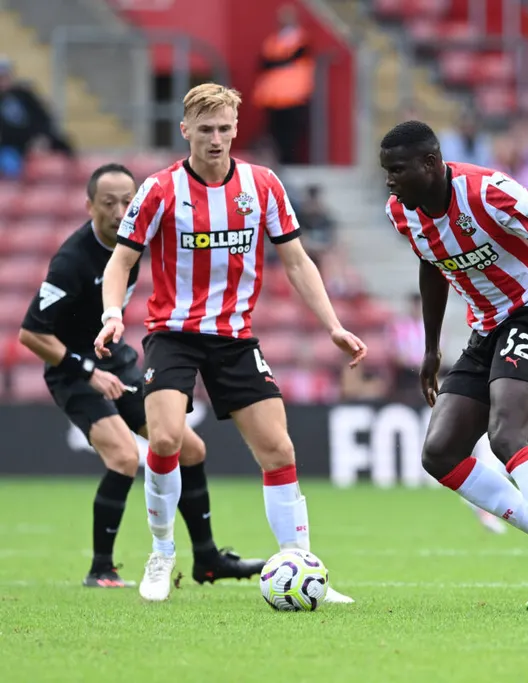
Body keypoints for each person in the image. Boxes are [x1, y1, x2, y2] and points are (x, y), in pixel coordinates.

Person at [93, 84, 368, 604]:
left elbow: (297, 261)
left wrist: (332, 324)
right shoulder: (160, 190)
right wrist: (112, 315)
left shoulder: (262, 185)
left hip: (234, 337)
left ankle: (303, 565)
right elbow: (121, 261)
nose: (216, 139)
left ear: (236, 128)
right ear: (185, 131)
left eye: (224, 128)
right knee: (166, 440)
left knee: (278, 449)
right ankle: (162, 552)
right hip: (173, 333)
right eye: (205, 130)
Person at [380, 120, 528, 612]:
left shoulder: (489, 191)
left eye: (397, 170)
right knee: (440, 453)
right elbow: (431, 265)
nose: (390, 182)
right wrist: (431, 348)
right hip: (487, 329)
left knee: (507, 436)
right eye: (386, 172)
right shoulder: (402, 212)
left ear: (430, 163)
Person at [18, 163, 262, 588]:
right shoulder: (72, 261)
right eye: (108, 203)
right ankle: (101, 568)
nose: (119, 211)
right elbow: (31, 333)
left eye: (126, 201)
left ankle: (207, 559)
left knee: (191, 449)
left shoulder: (136, 239)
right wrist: (87, 371)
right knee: (124, 457)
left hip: (114, 359)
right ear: (89, 206)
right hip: (72, 369)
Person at [253, 4, 314, 164]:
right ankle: (279, 163)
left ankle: (289, 163)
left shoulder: (302, 39)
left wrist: (277, 62)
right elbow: (264, 63)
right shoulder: (273, 41)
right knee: (275, 135)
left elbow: (289, 59)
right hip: (273, 98)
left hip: (294, 96)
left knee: (291, 136)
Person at [0, 55, 73, 178]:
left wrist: (42, 138)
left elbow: (43, 118)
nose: (3, 81)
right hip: (10, 145)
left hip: (36, 139)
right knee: (10, 167)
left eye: (5, 76)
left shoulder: (25, 94)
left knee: (64, 152)